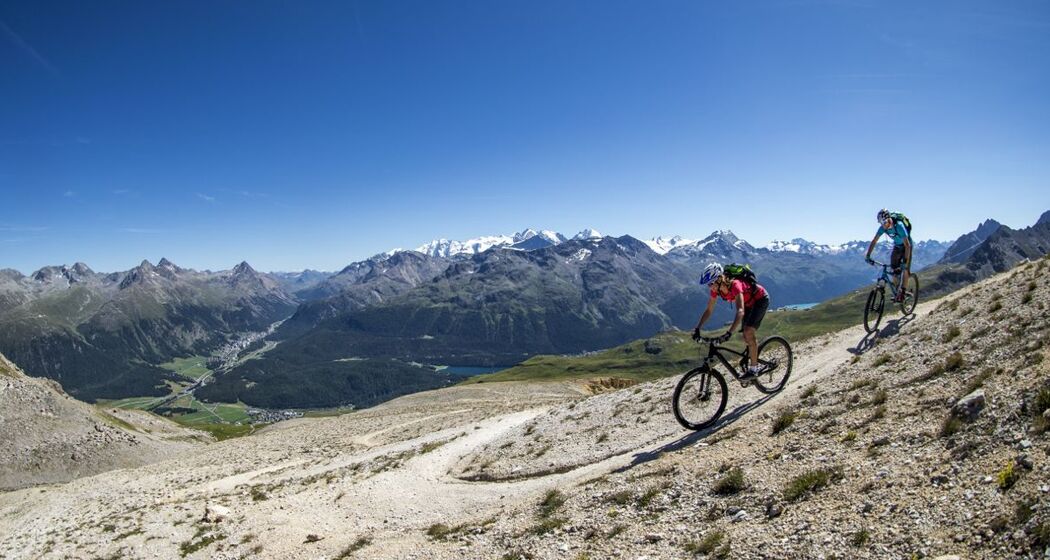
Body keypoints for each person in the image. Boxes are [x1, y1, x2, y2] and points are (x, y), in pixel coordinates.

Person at [691, 263, 771, 378]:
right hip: (748, 304)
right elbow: (709, 310)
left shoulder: (735, 285)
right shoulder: (716, 289)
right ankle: (750, 357)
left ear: (719, 278)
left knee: (748, 332)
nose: (710, 287)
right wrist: (697, 328)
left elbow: (740, 311)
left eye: (711, 283)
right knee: (745, 335)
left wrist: (729, 333)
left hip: (760, 299)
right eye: (708, 285)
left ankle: (754, 369)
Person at [865, 209, 912, 302]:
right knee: (894, 270)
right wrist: (868, 255)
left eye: (884, 222)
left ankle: (903, 292)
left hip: (907, 246)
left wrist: (905, 261)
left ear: (888, 219)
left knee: (905, 268)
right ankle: (897, 291)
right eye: (881, 223)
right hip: (897, 246)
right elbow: (874, 240)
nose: (883, 225)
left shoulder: (899, 226)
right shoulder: (883, 228)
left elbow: (907, 245)